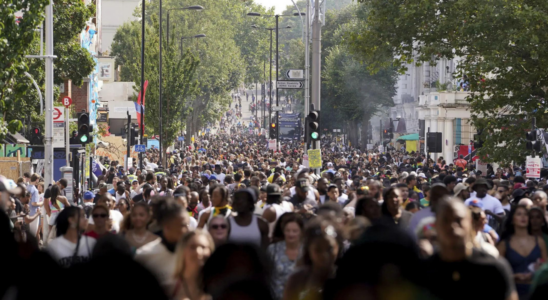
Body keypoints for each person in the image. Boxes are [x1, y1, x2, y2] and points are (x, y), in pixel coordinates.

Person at [423, 198, 518, 300]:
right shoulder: (423, 271)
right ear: (436, 225)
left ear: (470, 222)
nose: (452, 226)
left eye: (458, 220)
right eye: (445, 220)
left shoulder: (494, 268)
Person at [135, 197, 190, 294]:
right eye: (183, 225)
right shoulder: (144, 256)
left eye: (188, 225)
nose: (188, 230)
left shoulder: (195, 253)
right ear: (167, 227)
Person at [284, 217, 343, 300]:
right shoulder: (297, 279)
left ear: (337, 247)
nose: (324, 255)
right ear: (309, 249)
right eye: (318, 250)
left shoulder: (346, 279)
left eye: (329, 248)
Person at [497, 205, 548, 299]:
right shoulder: (504, 244)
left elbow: (546, 268)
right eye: (519, 214)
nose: (523, 217)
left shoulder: (539, 241)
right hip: (514, 292)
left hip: (537, 291)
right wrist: (514, 276)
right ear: (512, 220)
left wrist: (535, 273)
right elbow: (498, 273)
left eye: (525, 214)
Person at [268, 213, 304, 300]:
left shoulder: (308, 251)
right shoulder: (273, 249)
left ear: (301, 232)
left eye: (295, 231)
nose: (291, 234)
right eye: (288, 230)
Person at [172, 230, 215, 300]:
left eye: (203, 247)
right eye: (192, 247)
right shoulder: (169, 286)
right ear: (182, 251)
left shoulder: (220, 286)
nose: (198, 252)